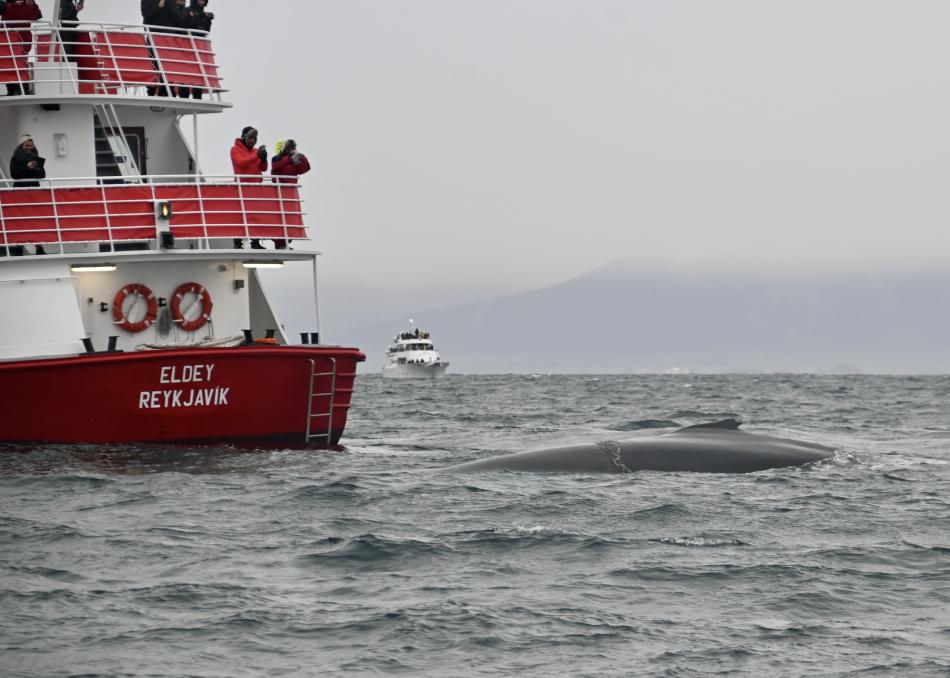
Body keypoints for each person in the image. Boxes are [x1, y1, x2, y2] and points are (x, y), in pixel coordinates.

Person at [230, 126, 267, 249]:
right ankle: (237, 243)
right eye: (250, 137)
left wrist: (263, 159)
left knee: (256, 216)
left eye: (254, 138)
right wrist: (257, 156)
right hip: (242, 189)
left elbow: (264, 168)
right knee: (240, 217)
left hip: (256, 189)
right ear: (244, 137)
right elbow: (240, 162)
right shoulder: (235, 149)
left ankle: (255, 242)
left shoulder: (256, 151)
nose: (252, 140)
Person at [269, 139, 311, 249]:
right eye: (289, 148)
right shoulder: (276, 159)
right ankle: (279, 243)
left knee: (290, 219)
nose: (291, 150)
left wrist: (301, 156)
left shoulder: (293, 160)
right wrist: (290, 159)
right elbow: (276, 167)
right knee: (280, 219)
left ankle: (286, 242)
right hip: (279, 193)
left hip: (291, 194)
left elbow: (305, 168)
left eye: (292, 148)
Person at [1, 0, 42, 95]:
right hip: (8, 39)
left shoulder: (29, 5)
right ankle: (11, 90)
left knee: (22, 61)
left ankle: (24, 88)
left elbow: (36, 15)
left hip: (23, 40)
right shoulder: (5, 5)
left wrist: (32, 4)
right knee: (8, 63)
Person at [184, 0, 213, 99]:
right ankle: (184, 96)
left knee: (199, 71)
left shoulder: (203, 13)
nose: (202, 1)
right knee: (187, 71)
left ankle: (197, 96)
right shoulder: (187, 10)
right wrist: (199, 17)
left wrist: (207, 19)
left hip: (200, 45)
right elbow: (187, 25)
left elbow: (206, 29)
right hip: (187, 46)